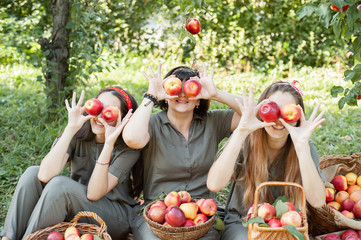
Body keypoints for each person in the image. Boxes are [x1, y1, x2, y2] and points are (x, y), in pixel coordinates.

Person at [1, 86, 142, 240]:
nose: (100, 116)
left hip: (115, 217)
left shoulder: (128, 148)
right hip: (77, 205)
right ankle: (8, 237)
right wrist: (70, 129)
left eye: (109, 111)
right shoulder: (80, 131)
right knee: (32, 173)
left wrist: (108, 144)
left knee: (61, 186)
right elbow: (44, 174)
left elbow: (93, 193)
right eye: (98, 107)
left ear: (124, 118)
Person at [122, 63, 242, 240]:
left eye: (190, 88)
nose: (183, 94)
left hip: (202, 216)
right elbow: (132, 138)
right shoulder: (152, 123)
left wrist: (216, 93)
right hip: (156, 215)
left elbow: (254, 113)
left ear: (199, 98)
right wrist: (152, 95)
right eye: (176, 87)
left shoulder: (213, 122)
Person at [206, 81, 326, 239]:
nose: (278, 120)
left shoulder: (304, 145)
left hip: (287, 225)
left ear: (298, 117)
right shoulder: (246, 140)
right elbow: (214, 184)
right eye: (273, 109)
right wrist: (241, 131)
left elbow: (318, 201)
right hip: (243, 223)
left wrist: (301, 146)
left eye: (287, 112)